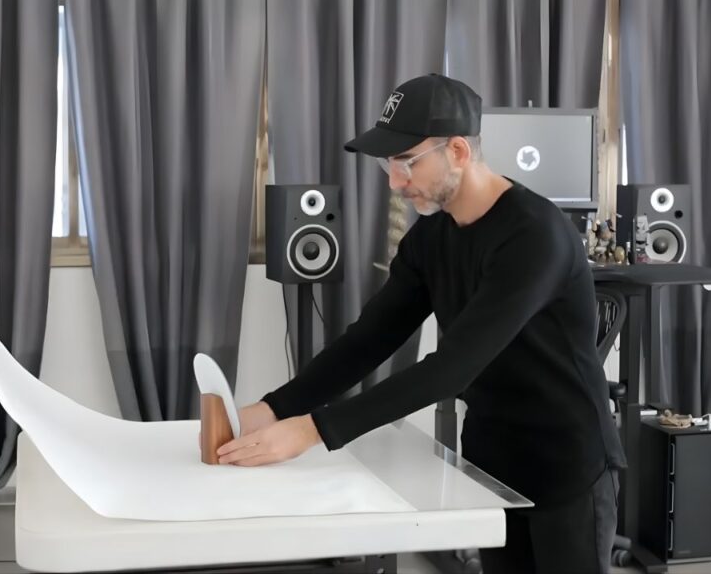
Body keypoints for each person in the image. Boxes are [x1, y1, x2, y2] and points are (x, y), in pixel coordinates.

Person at [217, 73, 626, 573]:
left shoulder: (534, 235)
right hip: (493, 460)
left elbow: (453, 368)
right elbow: (370, 339)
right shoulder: (432, 238)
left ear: (457, 151)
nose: (394, 181)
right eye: (389, 164)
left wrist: (313, 430)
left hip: (567, 461)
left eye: (407, 162)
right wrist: (276, 407)